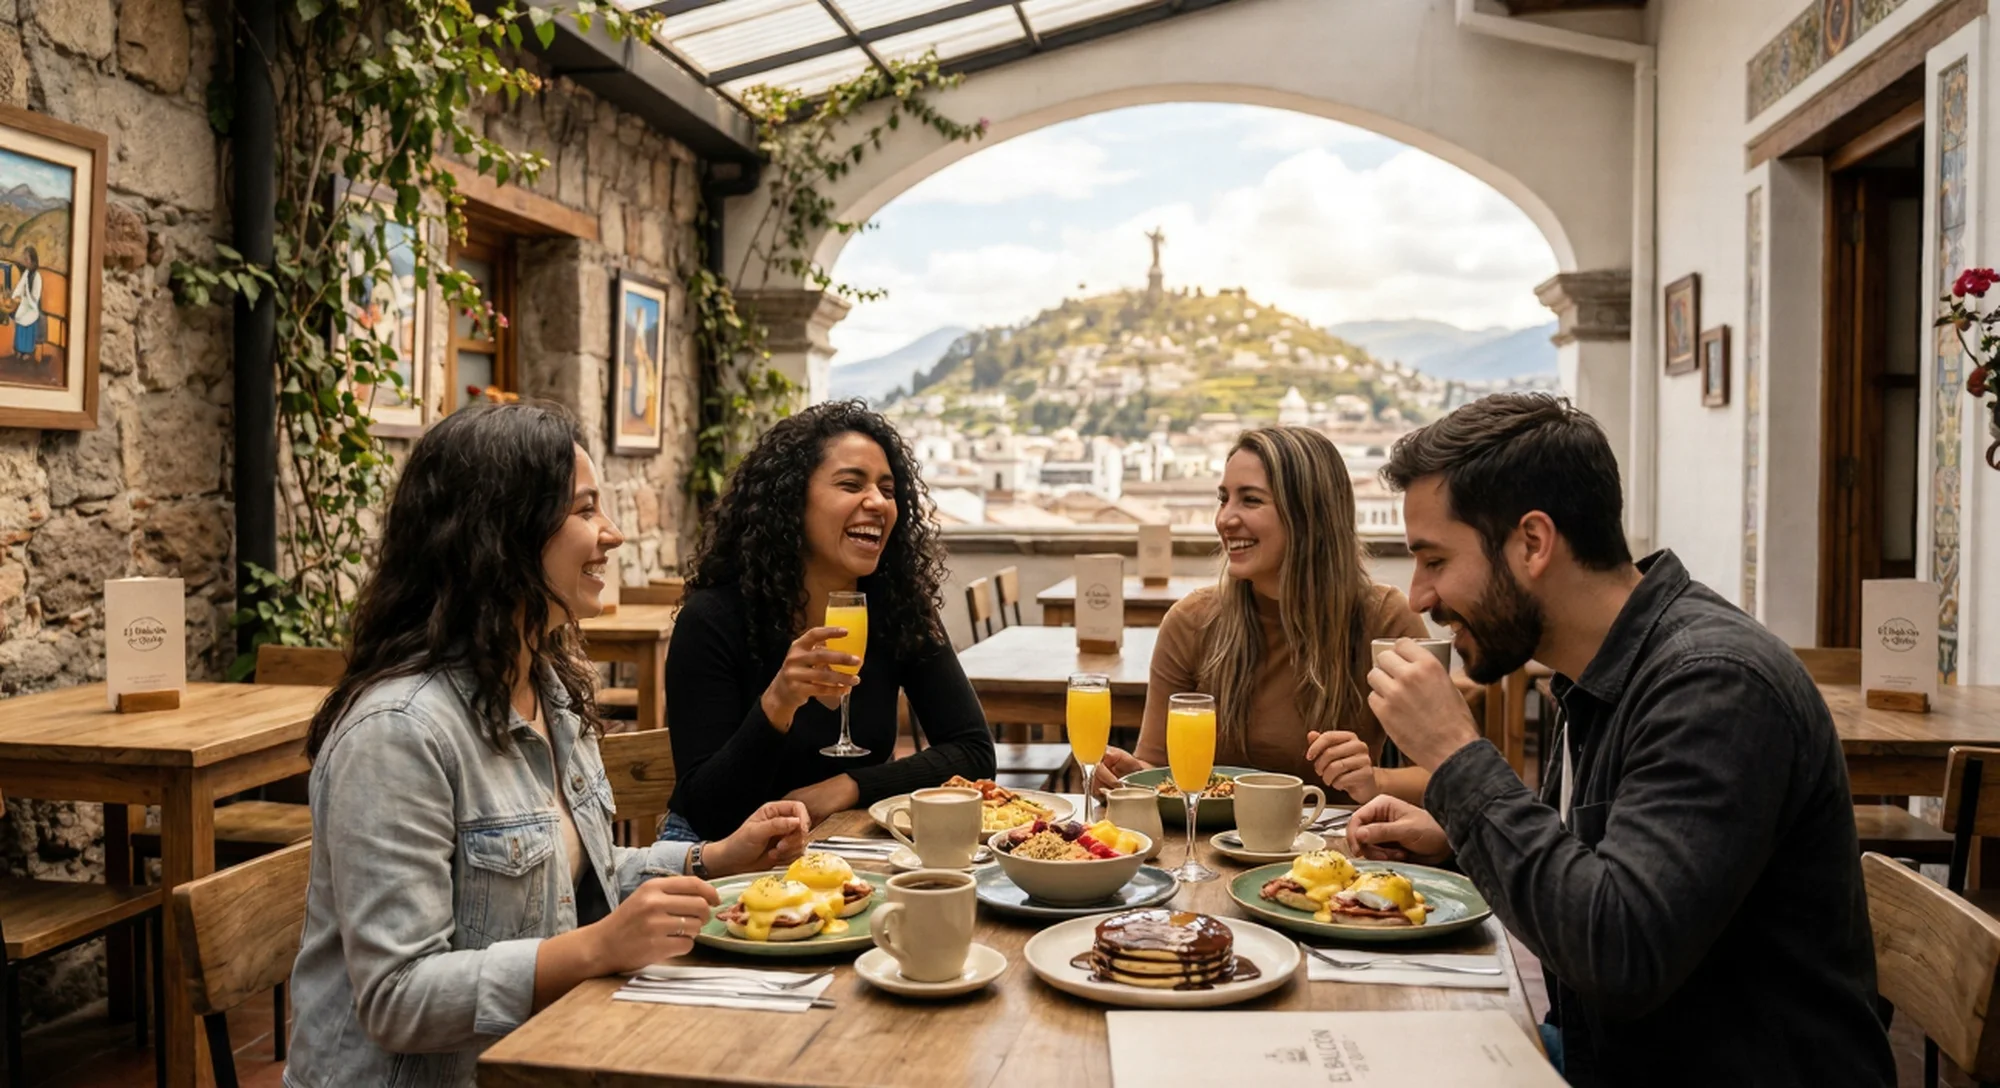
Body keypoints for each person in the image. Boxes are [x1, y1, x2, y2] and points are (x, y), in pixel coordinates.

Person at [1347, 394, 1893, 1087]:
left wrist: (1457, 758)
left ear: (1533, 543)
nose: (1419, 595)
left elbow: (1619, 952)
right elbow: (1608, 867)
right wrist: (1456, 831)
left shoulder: (1714, 686)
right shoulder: (1606, 672)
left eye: (1433, 559)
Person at [286, 403, 811, 1087]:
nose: (612, 535)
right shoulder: (397, 733)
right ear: (500, 533)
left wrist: (713, 858)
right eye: (586, 511)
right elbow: (397, 998)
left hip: (546, 1054)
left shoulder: (548, 689)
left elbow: (560, 883)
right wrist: (596, 947)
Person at [661, 400, 996, 840]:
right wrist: (777, 704)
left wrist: (846, 786)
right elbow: (710, 813)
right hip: (717, 856)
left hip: (839, 841)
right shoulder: (714, 620)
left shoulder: (897, 610)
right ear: (791, 501)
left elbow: (973, 751)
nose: (877, 502)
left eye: (888, 489)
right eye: (851, 484)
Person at [1093, 427, 1431, 804]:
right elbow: (1157, 767)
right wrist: (1127, 777)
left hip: (1337, 855)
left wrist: (1375, 780)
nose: (1225, 519)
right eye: (1224, 499)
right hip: (1212, 854)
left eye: (1250, 500)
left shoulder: (1385, 621)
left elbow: (1442, 776)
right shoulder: (1190, 622)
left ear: (1310, 514)